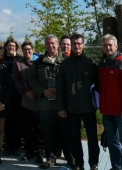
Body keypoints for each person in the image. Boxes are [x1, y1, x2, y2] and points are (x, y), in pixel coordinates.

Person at [27, 35, 74, 169]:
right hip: (45, 105)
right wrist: (42, 91)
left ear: (58, 44)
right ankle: (50, 157)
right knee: (47, 132)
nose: (50, 46)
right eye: (48, 43)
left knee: (65, 132)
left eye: (53, 43)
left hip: (62, 104)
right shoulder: (39, 62)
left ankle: (69, 157)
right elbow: (31, 79)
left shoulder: (66, 60)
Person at [56, 33, 100, 170]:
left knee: (92, 138)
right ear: (71, 45)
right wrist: (61, 107)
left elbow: (98, 86)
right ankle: (79, 163)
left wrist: (98, 104)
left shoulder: (90, 63)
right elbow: (60, 88)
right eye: (74, 43)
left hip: (88, 107)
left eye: (79, 43)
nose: (77, 46)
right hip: (71, 108)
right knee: (74, 139)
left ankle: (93, 163)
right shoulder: (64, 65)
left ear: (83, 45)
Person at [98, 34, 122, 170]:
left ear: (116, 46)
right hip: (107, 111)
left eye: (110, 45)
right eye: (105, 45)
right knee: (112, 140)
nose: (108, 47)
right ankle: (116, 166)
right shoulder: (102, 64)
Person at [12, 41, 45, 163]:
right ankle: (29, 151)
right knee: (26, 128)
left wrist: (36, 92)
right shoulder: (18, 63)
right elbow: (15, 80)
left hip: (38, 99)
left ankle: (40, 152)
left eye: (29, 49)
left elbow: (42, 80)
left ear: (33, 49)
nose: (27, 52)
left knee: (39, 128)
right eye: (25, 49)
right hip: (25, 100)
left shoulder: (40, 62)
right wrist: (25, 92)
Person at [2, 37, 22, 157]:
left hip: (17, 95)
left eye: (13, 46)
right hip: (6, 95)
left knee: (18, 122)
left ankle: (17, 147)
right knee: (7, 123)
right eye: (9, 46)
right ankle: (8, 146)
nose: (11, 48)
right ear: (6, 47)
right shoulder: (2, 60)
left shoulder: (19, 60)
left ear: (16, 48)